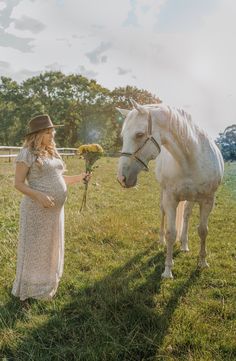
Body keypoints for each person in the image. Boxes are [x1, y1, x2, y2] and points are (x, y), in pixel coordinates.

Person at [12, 114, 89, 301]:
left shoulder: (52, 152)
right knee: (35, 249)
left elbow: (59, 179)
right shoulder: (27, 154)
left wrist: (80, 178)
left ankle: (46, 284)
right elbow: (18, 183)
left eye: (52, 131)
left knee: (50, 247)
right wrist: (39, 196)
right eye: (48, 132)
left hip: (55, 212)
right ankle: (30, 289)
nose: (52, 135)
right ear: (37, 135)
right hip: (36, 210)